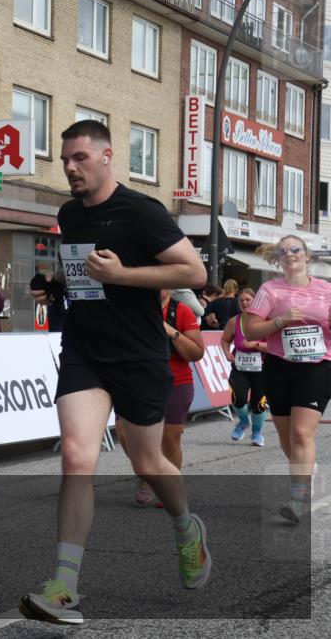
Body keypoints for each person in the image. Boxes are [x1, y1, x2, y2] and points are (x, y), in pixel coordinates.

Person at [22, 120, 210, 625]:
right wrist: (58, 288)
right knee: (78, 456)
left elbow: (195, 272)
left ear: (107, 156)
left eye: (80, 157)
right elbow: (85, 275)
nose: (70, 167)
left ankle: (186, 528)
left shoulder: (142, 212)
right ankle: (64, 586)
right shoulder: (68, 213)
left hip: (138, 353)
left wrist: (124, 275)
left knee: (147, 464)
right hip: (85, 348)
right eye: (65, 159)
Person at [242, 236, 331, 525]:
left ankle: (298, 499)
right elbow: (251, 331)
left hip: (318, 366)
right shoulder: (269, 290)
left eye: (295, 250)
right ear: (278, 260)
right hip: (279, 366)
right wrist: (280, 321)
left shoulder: (326, 290)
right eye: (283, 252)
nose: (289, 254)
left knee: (302, 433)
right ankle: (305, 470)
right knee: (285, 434)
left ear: (306, 256)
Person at [132, 289, 205, 506]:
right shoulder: (134, 310)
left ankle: (166, 486)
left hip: (177, 381)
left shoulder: (181, 311)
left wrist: (170, 331)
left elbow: (196, 353)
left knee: (170, 439)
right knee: (131, 436)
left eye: (161, 283)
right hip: (139, 381)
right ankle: (147, 474)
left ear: (171, 287)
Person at [220, 287, 268, 447]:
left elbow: (276, 345)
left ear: (255, 301)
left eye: (248, 299)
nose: (245, 303)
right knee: (238, 399)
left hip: (262, 368)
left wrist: (256, 344)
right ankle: (242, 422)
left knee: (258, 404)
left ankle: (256, 433)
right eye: (241, 300)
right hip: (240, 366)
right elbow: (225, 339)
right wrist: (227, 352)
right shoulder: (235, 321)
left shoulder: (265, 320)